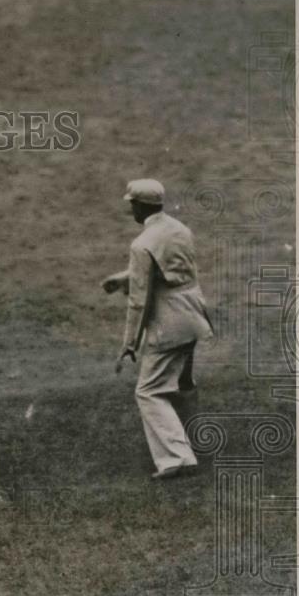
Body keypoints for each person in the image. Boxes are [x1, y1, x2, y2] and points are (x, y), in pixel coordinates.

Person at [102, 179, 213, 480]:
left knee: (149, 391)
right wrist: (125, 277)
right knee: (182, 384)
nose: (131, 210)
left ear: (138, 205)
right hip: (194, 316)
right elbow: (169, 268)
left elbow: (139, 301)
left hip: (169, 325)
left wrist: (129, 343)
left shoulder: (141, 243)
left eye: (132, 204)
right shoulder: (180, 228)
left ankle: (177, 457)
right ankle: (197, 440)